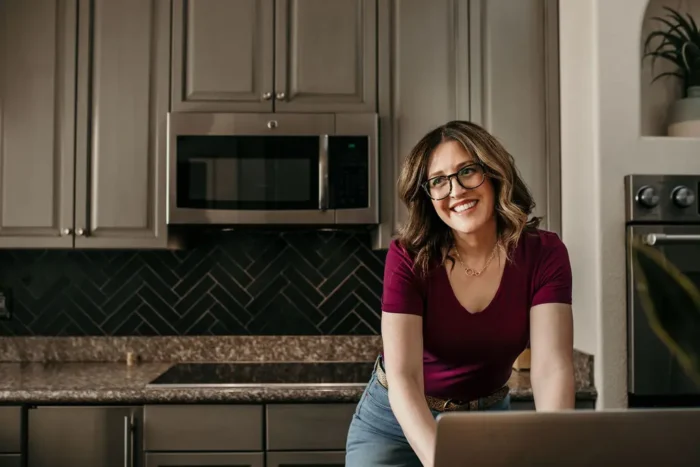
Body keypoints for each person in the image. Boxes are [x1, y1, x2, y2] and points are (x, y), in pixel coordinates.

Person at [345, 120, 575, 467]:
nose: (456, 191)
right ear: (428, 195)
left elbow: (551, 366)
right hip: (394, 425)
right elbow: (405, 376)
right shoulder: (408, 257)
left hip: (486, 421)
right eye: (438, 181)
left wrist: (555, 453)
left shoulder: (544, 254)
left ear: (494, 173)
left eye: (467, 171)